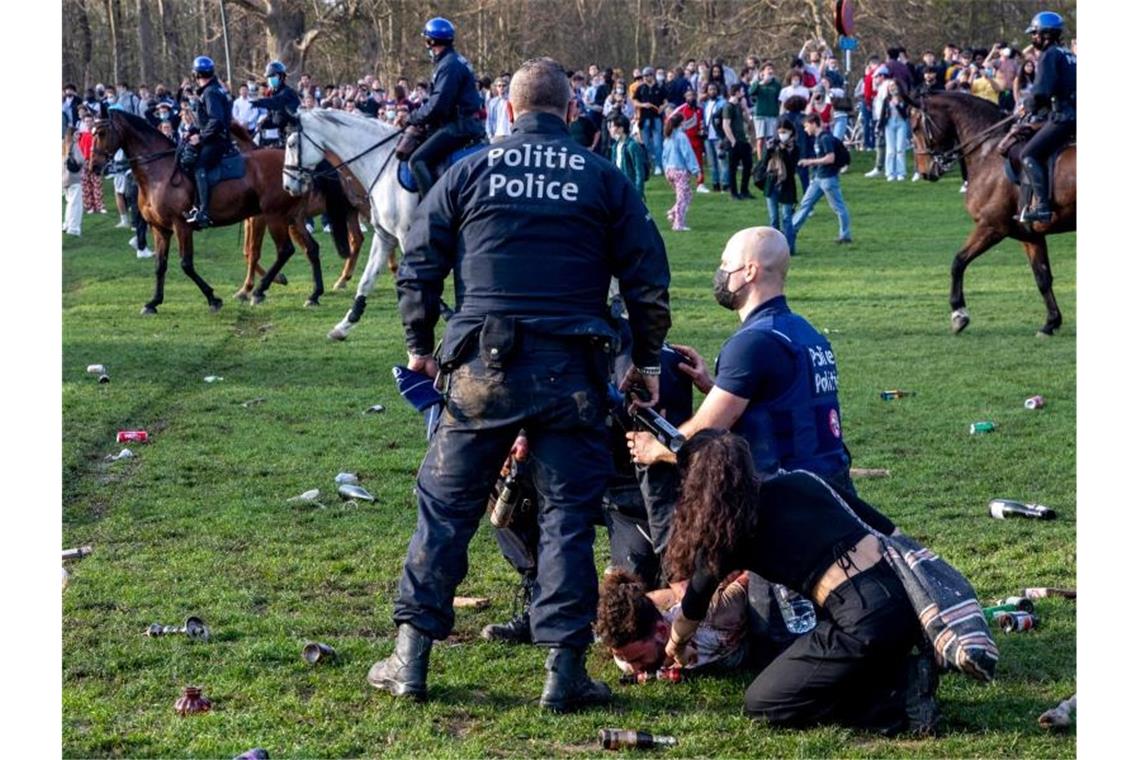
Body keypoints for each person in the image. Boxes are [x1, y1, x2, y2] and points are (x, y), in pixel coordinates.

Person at [369, 56, 671, 713]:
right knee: (566, 520)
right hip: (574, 374)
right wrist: (645, 365)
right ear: (570, 111)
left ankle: (410, 658)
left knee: (445, 511)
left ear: (509, 110)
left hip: (482, 370)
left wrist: (420, 347)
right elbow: (648, 281)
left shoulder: (469, 170)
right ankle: (563, 673)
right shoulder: (603, 178)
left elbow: (417, 264)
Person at [662, 429, 938, 734]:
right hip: (909, 606)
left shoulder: (730, 534)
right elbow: (891, 532)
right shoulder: (803, 481)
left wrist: (677, 646)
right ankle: (899, 671)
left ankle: (894, 701)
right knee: (833, 653)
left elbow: (694, 604)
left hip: (862, 619)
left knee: (764, 704)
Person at [628, 226, 853, 492]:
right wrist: (716, 387)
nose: (720, 273)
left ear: (749, 271)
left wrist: (653, 449)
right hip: (834, 488)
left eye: (726, 263)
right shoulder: (807, 334)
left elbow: (704, 435)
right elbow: (784, 407)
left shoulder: (752, 343)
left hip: (787, 496)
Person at [596, 569, 750, 679]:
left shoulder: (717, 615)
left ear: (662, 631)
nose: (634, 669)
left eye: (639, 659)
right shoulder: (626, 657)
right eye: (625, 658)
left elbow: (752, 571)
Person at [404, 17, 485, 199]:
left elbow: (438, 106)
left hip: (458, 126)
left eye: (426, 40)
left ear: (431, 41)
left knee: (417, 160)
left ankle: (431, 210)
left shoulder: (449, 65)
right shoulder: (453, 61)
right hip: (461, 122)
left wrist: (412, 118)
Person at [1018, 11, 1076, 222]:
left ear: (1045, 34)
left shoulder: (1050, 54)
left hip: (1063, 117)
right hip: (1074, 114)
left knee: (1028, 154)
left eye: (1034, 34)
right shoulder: (1069, 54)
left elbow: (1042, 90)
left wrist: (1027, 106)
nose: (1033, 38)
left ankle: (1042, 206)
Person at [183, 55, 232, 228]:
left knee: (199, 166)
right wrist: (192, 132)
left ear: (196, 75)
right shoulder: (213, 90)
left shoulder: (210, 92)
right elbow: (206, 121)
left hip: (216, 141)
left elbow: (216, 120)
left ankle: (203, 211)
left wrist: (201, 137)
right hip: (211, 137)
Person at [793, 115, 852, 245]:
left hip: (828, 178)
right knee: (805, 204)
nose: (805, 129)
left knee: (838, 207)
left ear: (814, 123)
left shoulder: (825, 139)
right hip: (818, 178)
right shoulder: (818, 138)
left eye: (806, 126)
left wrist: (810, 162)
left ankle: (845, 235)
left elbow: (830, 158)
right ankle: (791, 230)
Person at [759, 121, 799, 256]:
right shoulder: (771, 144)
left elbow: (791, 166)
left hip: (787, 185)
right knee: (773, 218)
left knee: (787, 217)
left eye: (785, 132)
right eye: (780, 132)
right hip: (772, 184)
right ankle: (774, 249)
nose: (782, 135)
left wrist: (783, 150)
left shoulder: (794, 148)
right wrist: (768, 151)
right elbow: (763, 164)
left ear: (791, 132)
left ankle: (789, 248)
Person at [662, 111, 700, 231]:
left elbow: (664, 156)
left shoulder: (668, 137)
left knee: (686, 195)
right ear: (681, 123)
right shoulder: (681, 136)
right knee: (682, 198)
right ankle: (678, 224)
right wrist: (696, 170)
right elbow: (687, 153)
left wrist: (666, 170)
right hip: (680, 170)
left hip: (670, 171)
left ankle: (673, 213)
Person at [249, 61, 300, 147]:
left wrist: (257, 103)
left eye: (272, 76)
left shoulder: (287, 92)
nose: (270, 80)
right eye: (269, 77)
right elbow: (275, 117)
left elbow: (275, 102)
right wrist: (266, 122)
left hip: (294, 133)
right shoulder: (275, 93)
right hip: (282, 135)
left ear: (281, 77)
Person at [722, 83, 754, 200]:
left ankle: (744, 191)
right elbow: (726, 125)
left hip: (743, 140)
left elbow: (749, 122)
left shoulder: (739, 106)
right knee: (733, 168)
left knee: (748, 165)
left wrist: (745, 108)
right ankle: (734, 193)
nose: (743, 93)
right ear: (736, 93)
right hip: (734, 141)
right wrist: (733, 141)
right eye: (741, 91)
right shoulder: (728, 106)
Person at [632, 66, 666, 175]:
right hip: (644, 118)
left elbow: (666, 101)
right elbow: (634, 101)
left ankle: (658, 165)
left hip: (656, 118)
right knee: (646, 144)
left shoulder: (660, 87)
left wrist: (662, 108)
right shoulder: (640, 88)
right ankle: (648, 165)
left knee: (658, 143)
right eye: (645, 76)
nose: (647, 77)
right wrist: (643, 105)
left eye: (649, 75)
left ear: (653, 75)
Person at [674, 89, 706, 192]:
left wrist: (702, 131)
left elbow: (701, 123)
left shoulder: (700, 110)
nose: (691, 98)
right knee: (684, 164)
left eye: (692, 95)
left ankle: (700, 184)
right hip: (685, 141)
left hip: (697, 140)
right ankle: (685, 184)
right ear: (685, 97)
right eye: (688, 96)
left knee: (698, 163)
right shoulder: (681, 110)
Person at [608, 114, 646, 198]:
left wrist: (638, 193)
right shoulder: (615, 147)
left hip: (630, 189)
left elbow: (639, 171)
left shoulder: (632, 146)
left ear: (621, 129)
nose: (610, 130)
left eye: (612, 127)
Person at [748, 62, 782, 157]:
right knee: (760, 139)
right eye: (768, 69)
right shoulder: (758, 83)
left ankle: (771, 158)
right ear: (763, 72)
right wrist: (760, 83)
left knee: (771, 139)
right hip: (760, 115)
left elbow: (779, 99)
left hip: (772, 114)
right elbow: (751, 92)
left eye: (772, 69)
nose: (770, 71)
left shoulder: (776, 84)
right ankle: (760, 161)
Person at [702, 82, 727, 192]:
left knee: (722, 161)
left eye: (714, 89)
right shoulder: (706, 104)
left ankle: (726, 184)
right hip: (708, 137)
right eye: (710, 89)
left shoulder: (722, 103)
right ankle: (715, 183)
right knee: (712, 163)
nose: (712, 91)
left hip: (718, 136)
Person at [883, 81, 910, 181]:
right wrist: (880, 126)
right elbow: (883, 113)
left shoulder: (903, 99)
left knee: (900, 149)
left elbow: (905, 115)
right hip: (889, 124)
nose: (891, 88)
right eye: (890, 86)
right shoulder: (887, 100)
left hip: (901, 123)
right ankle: (890, 172)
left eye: (893, 86)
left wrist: (898, 105)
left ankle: (901, 172)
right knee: (890, 150)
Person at [62, 127, 84, 236]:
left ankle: (66, 224)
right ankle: (74, 228)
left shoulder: (63, 145)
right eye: (76, 134)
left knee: (69, 203)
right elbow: (80, 160)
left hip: (64, 178)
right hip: (74, 178)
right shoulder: (74, 145)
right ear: (72, 135)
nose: (78, 136)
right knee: (76, 204)